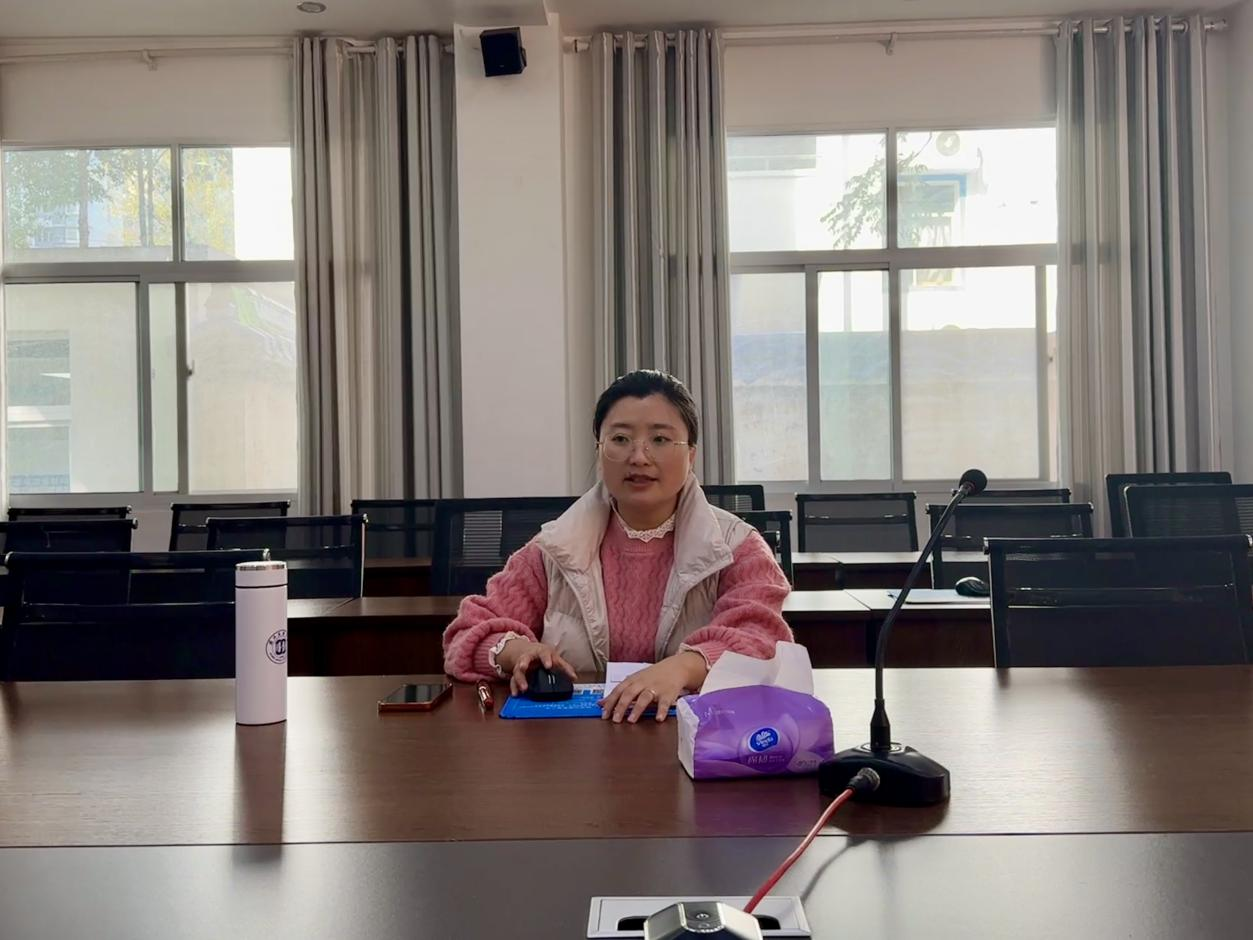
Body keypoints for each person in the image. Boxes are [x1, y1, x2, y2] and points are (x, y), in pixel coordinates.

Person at [442, 369, 792, 723]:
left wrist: (685, 668)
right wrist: (517, 652)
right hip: (575, 742)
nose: (638, 457)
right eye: (620, 439)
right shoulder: (554, 549)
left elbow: (763, 640)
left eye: (660, 439)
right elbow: (466, 633)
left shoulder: (737, 547)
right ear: (600, 451)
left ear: (691, 455)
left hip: (699, 739)